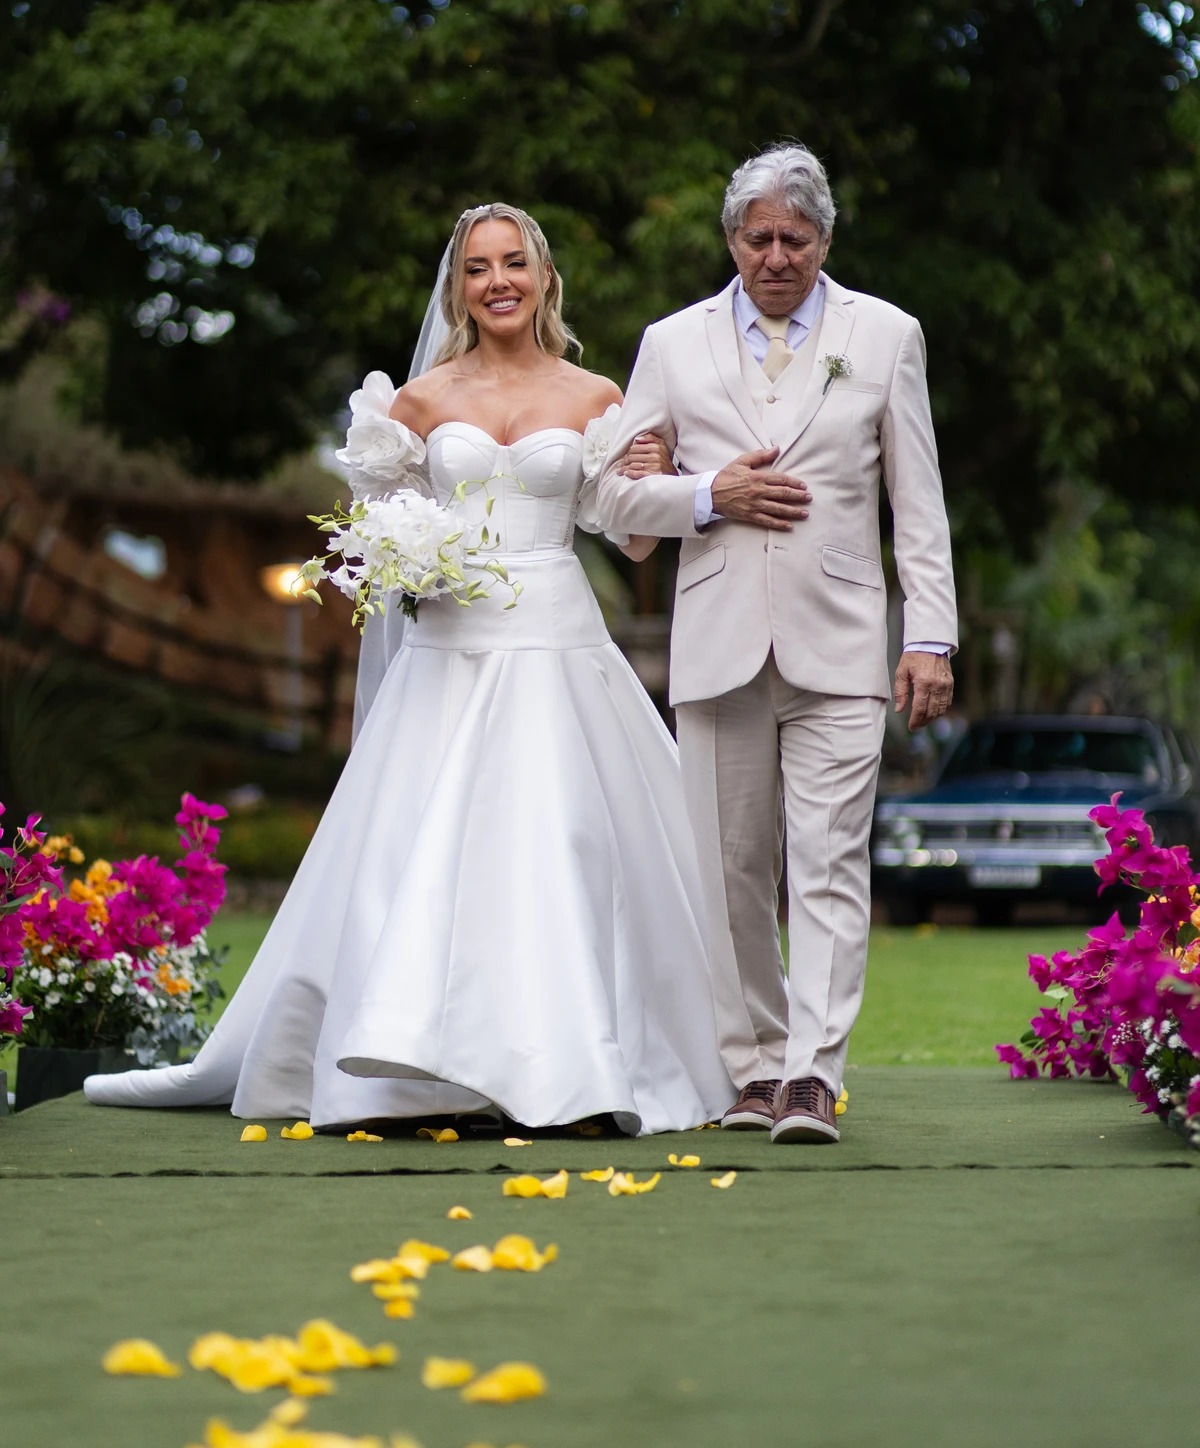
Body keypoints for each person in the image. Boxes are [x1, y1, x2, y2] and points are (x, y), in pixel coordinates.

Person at [84, 203, 733, 1135]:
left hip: (557, 641)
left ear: (545, 277)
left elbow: (630, 541)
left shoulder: (599, 397)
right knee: (416, 857)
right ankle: (406, 1075)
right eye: (479, 268)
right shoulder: (417, 403)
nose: (499, 281)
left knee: (565, 847)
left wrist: (651, 460)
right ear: (458, 287)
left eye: (515, 263)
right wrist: (402, 554)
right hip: (450, 651)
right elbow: (371, 541)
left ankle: (581, 1072)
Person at [597, 145, 957, 1144]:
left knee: (833, 862)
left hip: (842, 642)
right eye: (757, 238)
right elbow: (612, 501)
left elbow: (916, 503)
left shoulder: (884, 336)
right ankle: (753, 1067)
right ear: (729, 241)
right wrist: (708, 494)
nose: (775, 256)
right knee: (729, 870)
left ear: (825, 240)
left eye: (795, 239)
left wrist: (929, 634)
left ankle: (812, 1075)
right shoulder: (671, 344)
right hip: (715, 639)